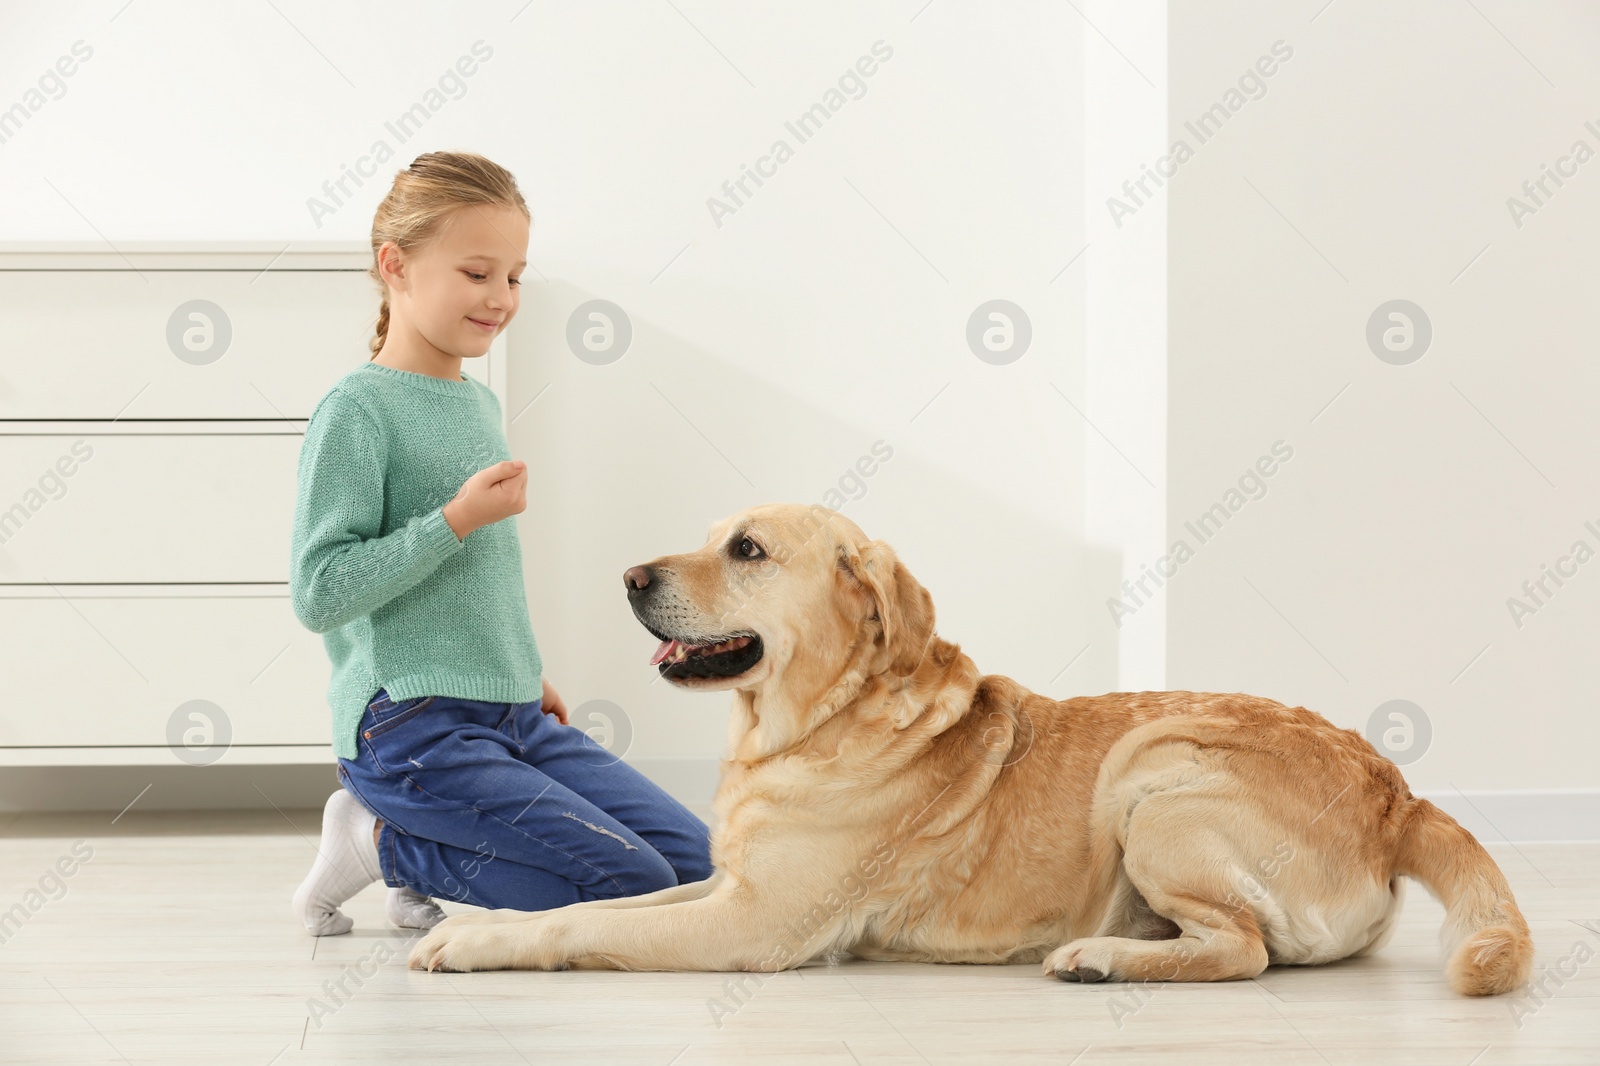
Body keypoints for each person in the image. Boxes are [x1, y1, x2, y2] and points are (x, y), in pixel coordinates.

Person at [288, 150, 713, 936]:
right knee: (628, 882)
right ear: (397, 266)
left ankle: (421, 844)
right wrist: (451, 521)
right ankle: (381, 845)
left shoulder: (475, 401)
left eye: (514, 277)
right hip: (408, 726)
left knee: (696, 868)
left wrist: (517, 671)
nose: (501, 298)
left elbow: (475, 581)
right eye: (478, 273)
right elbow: (320, 592)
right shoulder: (356, 411)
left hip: (506, 709)